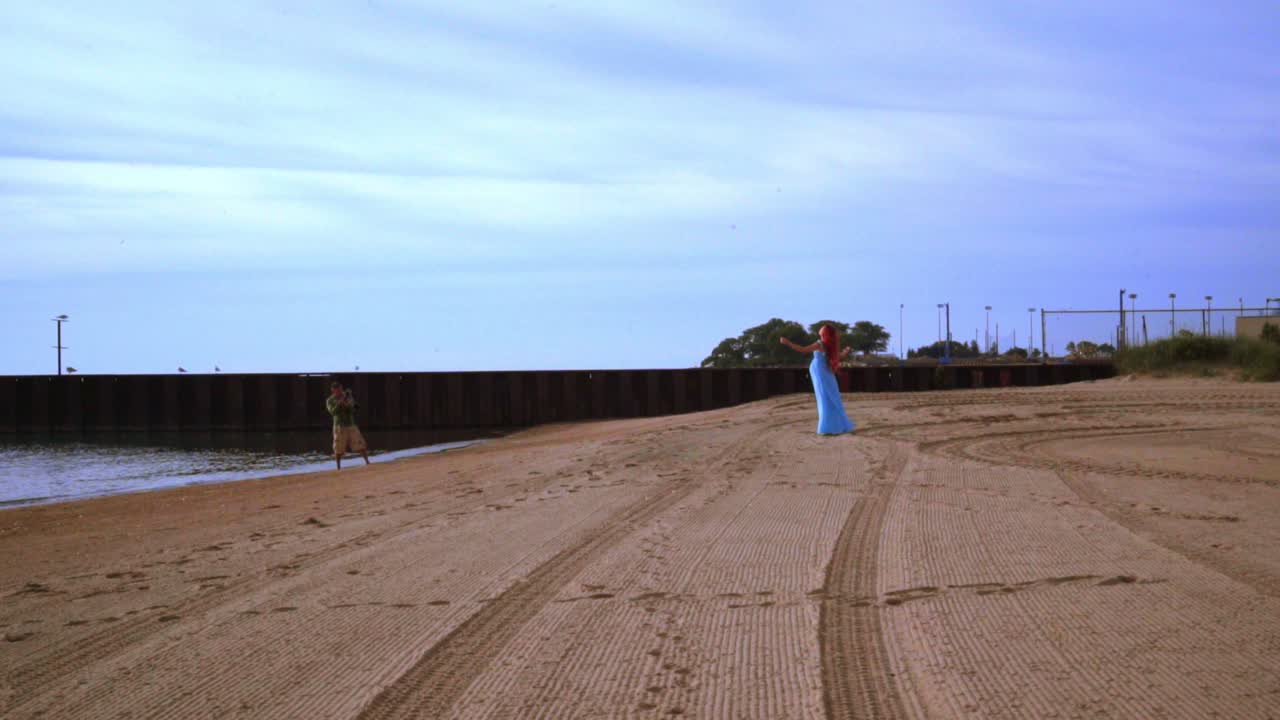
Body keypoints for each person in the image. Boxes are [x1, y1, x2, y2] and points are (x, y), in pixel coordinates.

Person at [781, 325, 856, 435]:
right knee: (831, 395)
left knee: (823, 397)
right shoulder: (829, 345)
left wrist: (788, 343)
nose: (820, 329)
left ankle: (828, 426)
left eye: (822, 328)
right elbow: (838, 356)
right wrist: (846, 351)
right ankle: (835, 424)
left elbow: (803, 349)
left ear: (824, 333)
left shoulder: (819, 344)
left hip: (820, 371)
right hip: (826, 372)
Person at [326, 381, 370, 469]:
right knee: (338, 447)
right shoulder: (330, 400)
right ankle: (338, 467)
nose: (339, 391)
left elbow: (354, 409)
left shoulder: (348, 397)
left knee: (359, 443)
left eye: (340, 389)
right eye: (337, 390)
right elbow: (333, 412)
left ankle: (367, 462)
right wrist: (340, 403)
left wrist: (348, 405)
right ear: (333, 390)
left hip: (351, 424)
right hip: (339, 425)